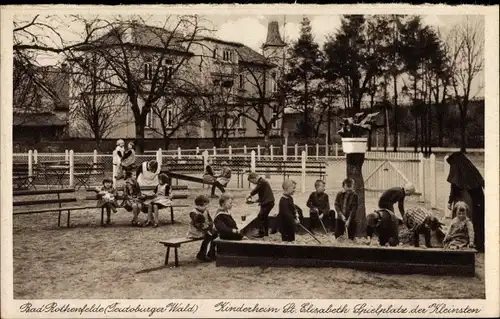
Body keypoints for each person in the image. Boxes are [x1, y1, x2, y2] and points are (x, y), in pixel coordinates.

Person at [446, 152, 484, 252]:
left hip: (467, 199)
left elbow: (454, 186)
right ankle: (478, 243)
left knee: (463, 221)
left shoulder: (457, 168)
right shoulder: (470, 168)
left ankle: (463, 242)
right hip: (478, 199)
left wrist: (450, 201)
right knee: (477, 222)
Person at [187, 195, 217, 262]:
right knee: (209, 236)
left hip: (205, 229)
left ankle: (211, 252)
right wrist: (206, 229)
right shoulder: (193, 213)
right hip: (195, 231)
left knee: (215, 234)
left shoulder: (206, 211)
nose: (206, 207)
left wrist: (210, 226)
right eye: (205, 205)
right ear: (198, 205)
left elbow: (210, 220)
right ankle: (202, 254)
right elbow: (197, 224)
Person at [246, 172, 275, 238]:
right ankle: (265, 233)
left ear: (255, 178)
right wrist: (254, 201)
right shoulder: (262, 183)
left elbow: (256, 189)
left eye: (252, 181)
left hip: (268, 203)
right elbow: (263, 195)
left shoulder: (262, 182)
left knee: (261, 217)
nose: (253, 183)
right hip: (268, 202)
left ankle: (262, 233)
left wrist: (250, 194)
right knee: (263, 217)